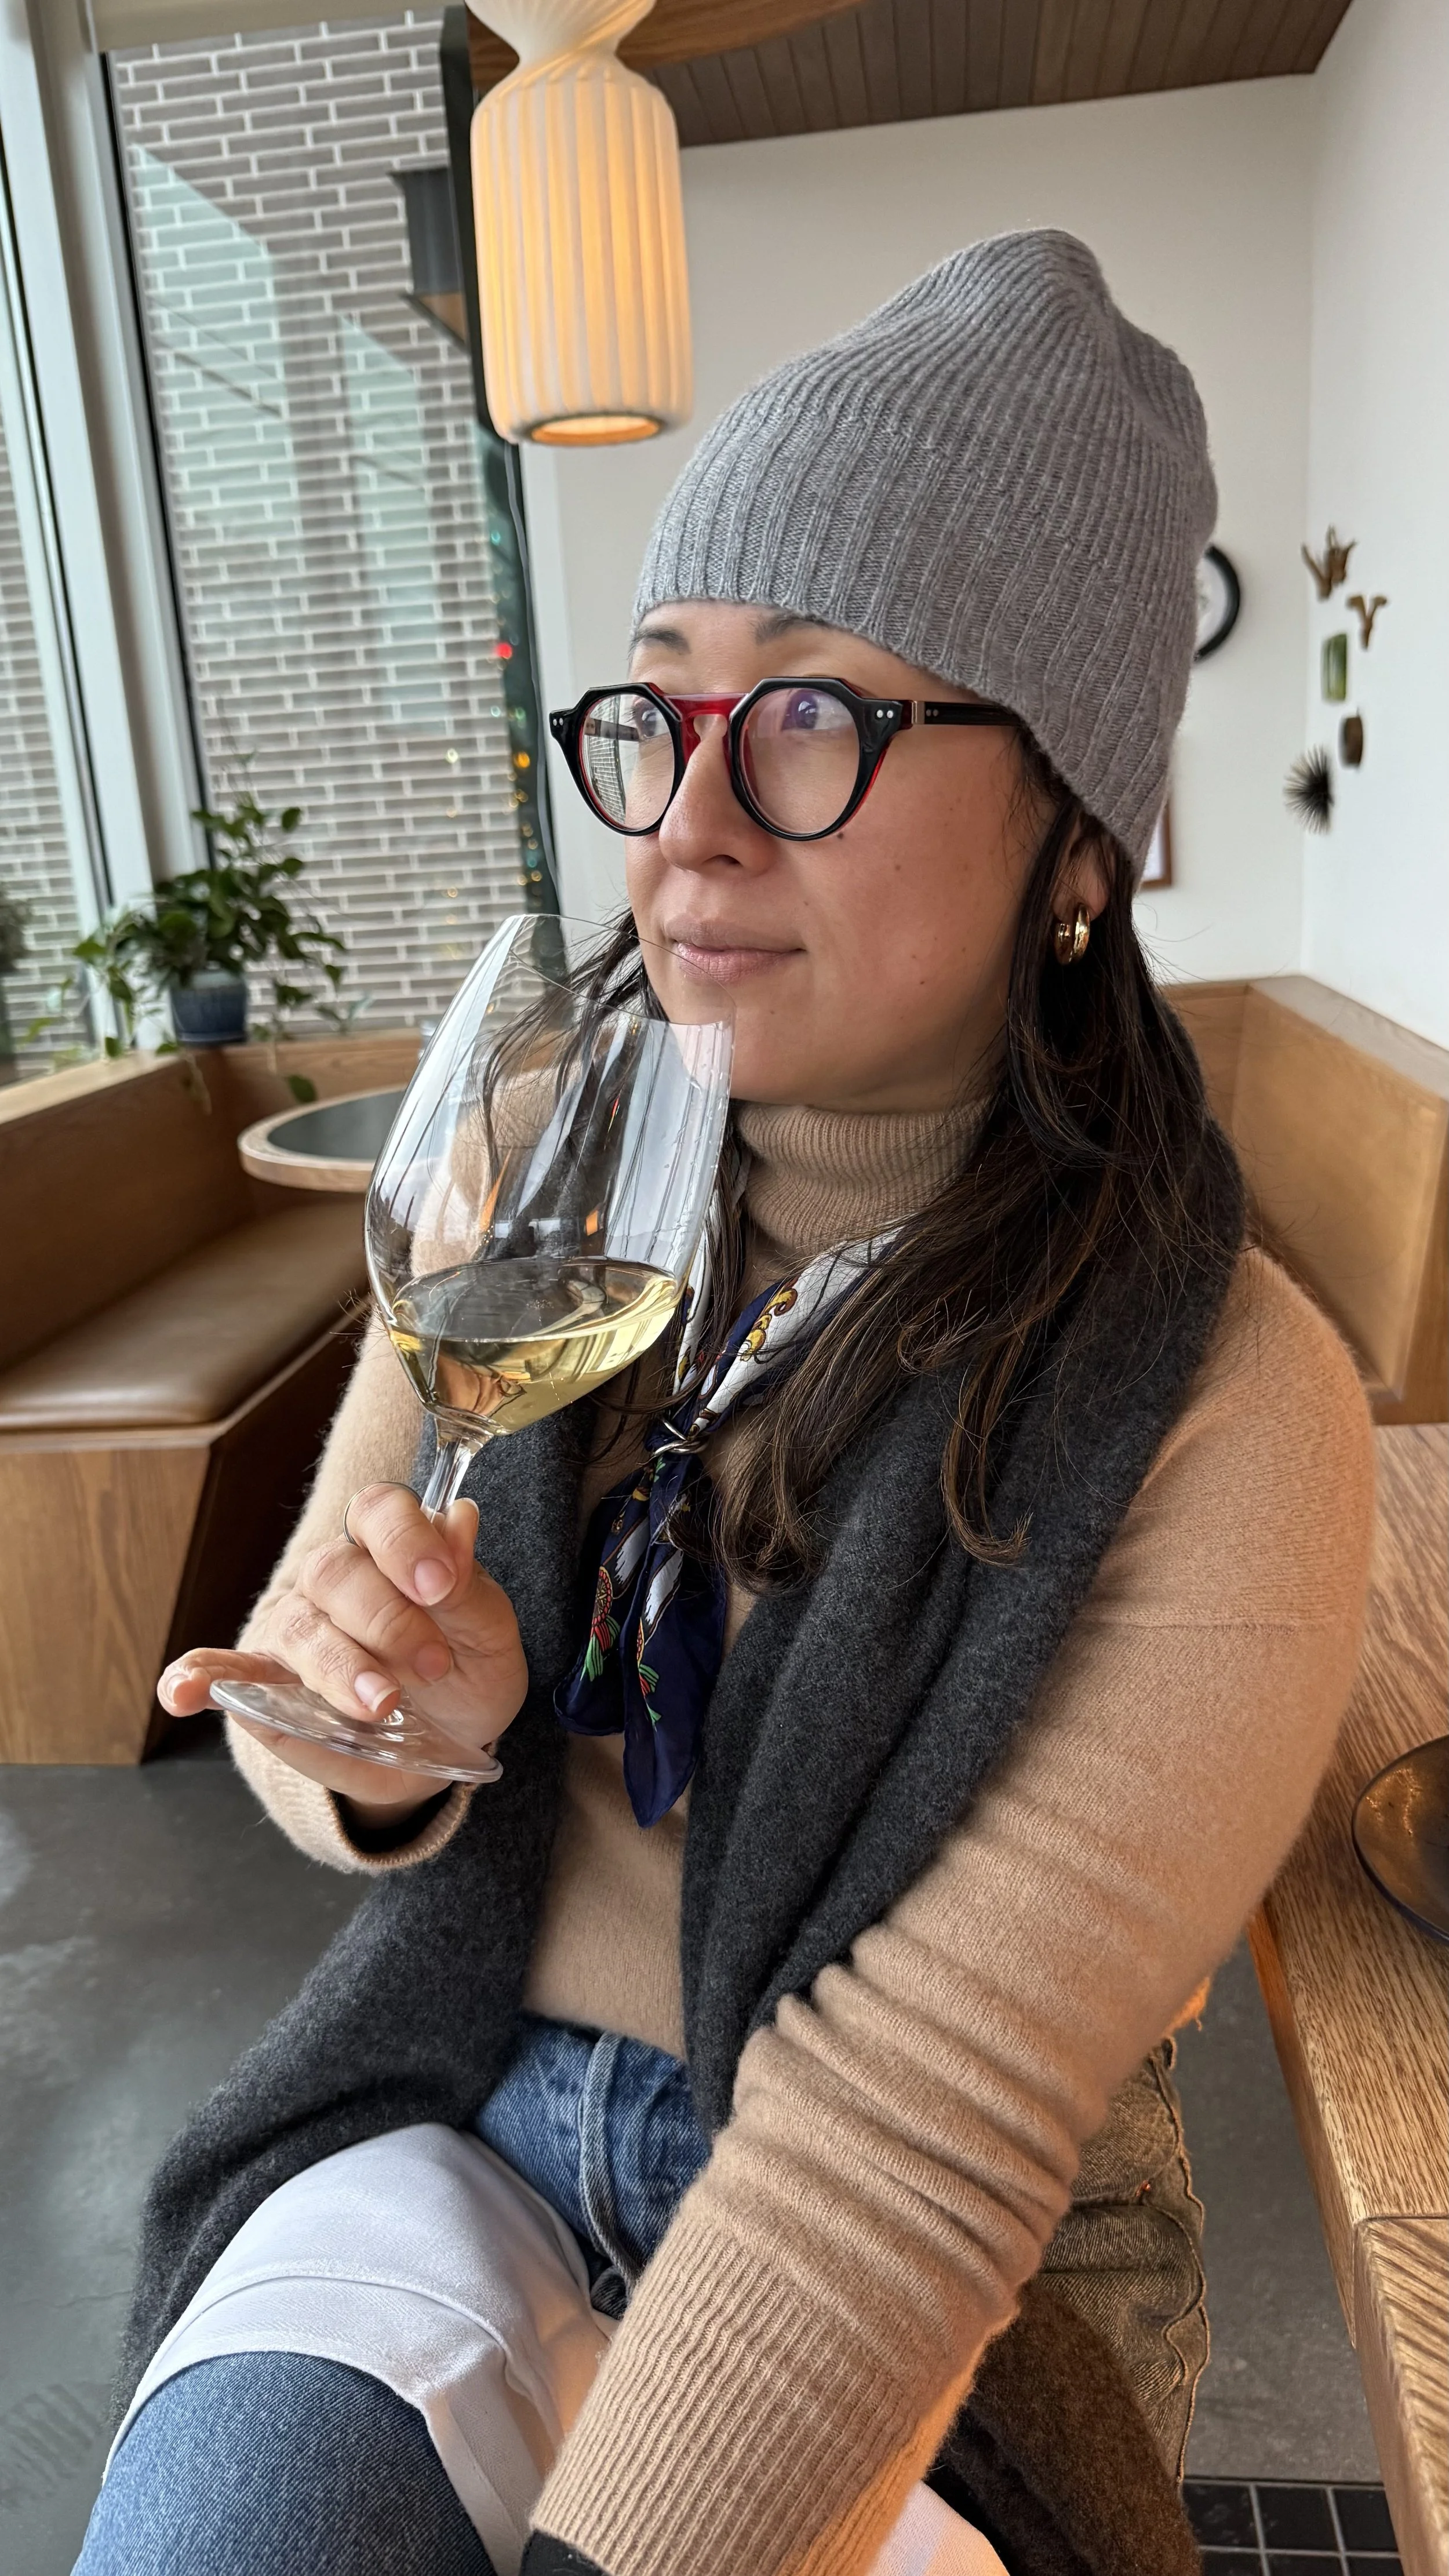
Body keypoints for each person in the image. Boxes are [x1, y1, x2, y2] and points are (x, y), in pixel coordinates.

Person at [77, 231, 1374, 2576]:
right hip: (450, 2114)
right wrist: (393, 1734)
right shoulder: (531, 1177)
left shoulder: (1218, 1412)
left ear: (1073, 842)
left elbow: (913, 2138)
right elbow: (299, 1716)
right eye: (653, 710)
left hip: (921, 2278)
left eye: (810, 718)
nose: (680, 827)